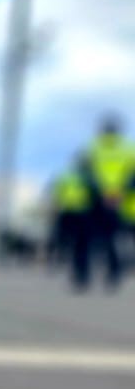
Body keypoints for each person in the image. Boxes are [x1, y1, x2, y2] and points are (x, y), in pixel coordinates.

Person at [78, 115, 133, 290]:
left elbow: (85, 173)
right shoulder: (128, 148)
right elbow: (133, 175)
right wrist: (119, 193)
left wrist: (101, 192)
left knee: (85, 239)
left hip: (94, 201)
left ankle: (82, 277)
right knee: (112, 240)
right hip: (117, 201)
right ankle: (113, 276)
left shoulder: (92, 147)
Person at [47, 163, 91, 278]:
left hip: (66, 212)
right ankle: (79, 269)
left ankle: (56, 262)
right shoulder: (89, 178)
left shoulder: (66, 177)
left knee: (61, 241)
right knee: (80, 244)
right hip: (81, 214)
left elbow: (55, 194)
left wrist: (55, 208)